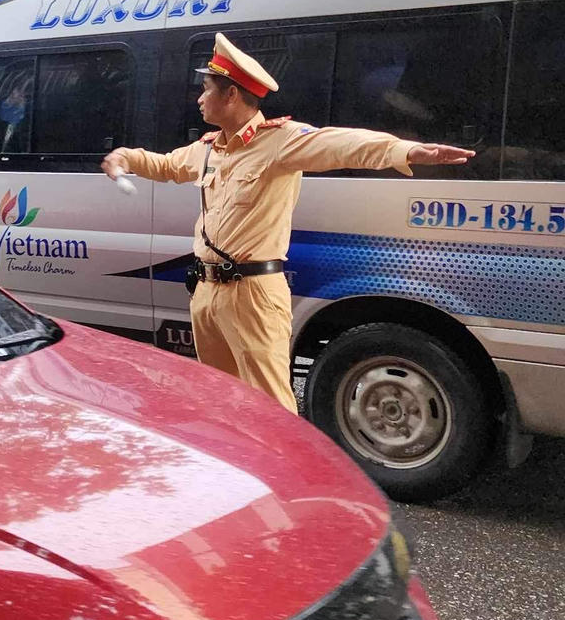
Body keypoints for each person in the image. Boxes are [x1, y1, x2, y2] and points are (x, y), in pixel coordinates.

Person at [101, 32, 474, 414]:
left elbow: (340, 144)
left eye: (206, 88)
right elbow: (166, 165)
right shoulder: (211, 148)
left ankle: (287, 469)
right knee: (218, 399)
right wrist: (125, 158)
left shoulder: (279, 141)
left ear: (230, 95)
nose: (199, 98)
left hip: (252, 293)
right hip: (206, 293)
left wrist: (406, 150)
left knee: (270, 406)